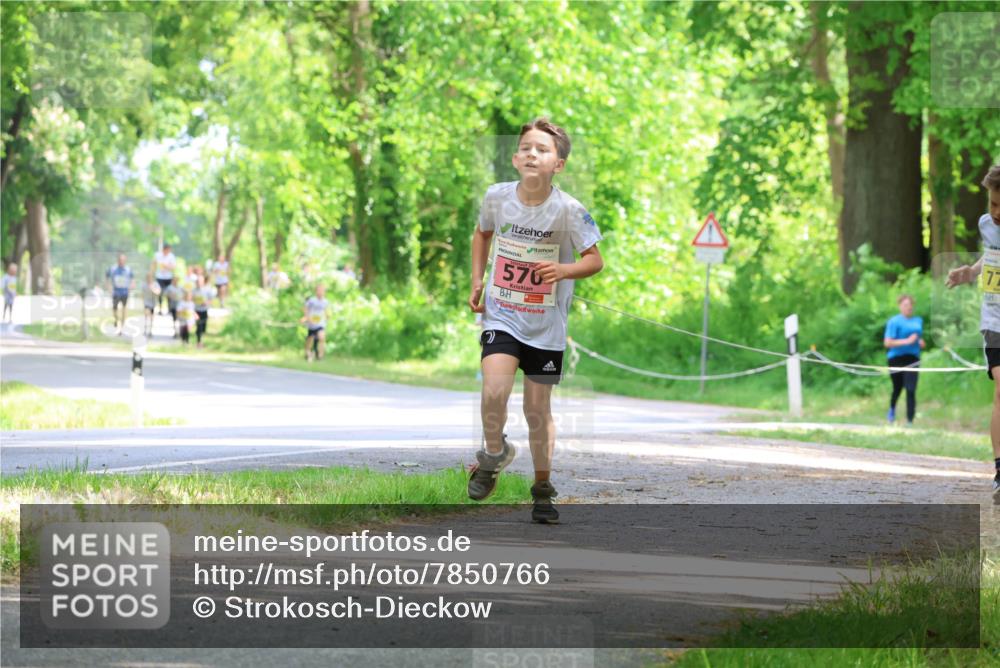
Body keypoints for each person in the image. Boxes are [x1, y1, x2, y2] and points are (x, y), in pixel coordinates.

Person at [467, 117, 604, 523]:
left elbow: (595, 260)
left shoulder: (569, 210)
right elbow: (481, 234)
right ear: (514, 157)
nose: (532, 153)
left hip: (546, 325)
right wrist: (477, 279)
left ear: (557, 164)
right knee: (494, 389)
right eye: (526, 147)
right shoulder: (496, 197)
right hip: (503, 314)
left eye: (542, 150)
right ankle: (494, 454)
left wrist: (562, 272)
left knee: (535, 409)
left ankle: (542, 486)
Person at [946, 164, 1000, 495]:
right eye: (993, 204)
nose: (996, 213)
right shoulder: (986, 225)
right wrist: (971, 272)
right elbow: (991, 257)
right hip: (995, 321)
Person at [883, 294, 924, 426]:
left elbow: (917, 337)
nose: (909, 307)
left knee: (911, 389)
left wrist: (920, 341)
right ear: (900, 306)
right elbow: (887, 343)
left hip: (913, 359)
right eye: (906, 305)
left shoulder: (918, 321)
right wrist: (906, 341)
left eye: (910, 305)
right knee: (897, 388)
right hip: (896, 359)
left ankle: (910, 420)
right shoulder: (894, 321)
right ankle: (892, 410)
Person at [106, 253, 134, 336]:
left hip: (125, 292)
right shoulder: (113, 269)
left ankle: (121, 328)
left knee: (124, 309)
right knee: (115, 309)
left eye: (123, 260)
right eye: (120, 260)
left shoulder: (128, 269)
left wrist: (131, 286)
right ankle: (116, 320)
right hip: (116, 292)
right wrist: (109, 287)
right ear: (118, 260)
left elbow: (132, 279)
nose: (122, 261)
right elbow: (107, 277)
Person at [301, 285, 328, 362]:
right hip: (311, 323)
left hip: (320, 323)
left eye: (322, 290)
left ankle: (320, 355)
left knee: (322, 337)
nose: (321, 292)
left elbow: (326, 311)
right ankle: (307, 352)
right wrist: (306, 317)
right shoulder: (312, 300)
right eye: (319, 290)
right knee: (310, 338)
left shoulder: (325, 301)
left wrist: (327, 317)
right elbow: (305, 309)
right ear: (316, 291)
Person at [152, 243, 177, 314]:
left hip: (168, 277)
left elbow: (173, 267)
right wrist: (152, 274)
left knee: (169, 293)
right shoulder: (157, 255)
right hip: (159, 277)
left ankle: (169, 309)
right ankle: (160, 308)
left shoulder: (171, 256)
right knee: (160, 293)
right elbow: (154, 264)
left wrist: (166, 266)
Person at [192, 275, 215, 348]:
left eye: (200, 281)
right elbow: (189, 300)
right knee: (199, 326)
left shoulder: (207, 290)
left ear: (203, 282)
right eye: (197, 281)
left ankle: (202, 341)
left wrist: (206, 303)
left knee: (203, 327)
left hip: (204, 310)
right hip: (196, 311)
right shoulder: (193, 291)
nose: (199, 283)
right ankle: (199, 342)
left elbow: (211, 300)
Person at [141, 271, 159, 337]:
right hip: (146, 302)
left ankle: (150, 331)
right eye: (147, 277)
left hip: (153, 302)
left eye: (150, 278)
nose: (148, 279)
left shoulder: (155, 284)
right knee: (146, 314)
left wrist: (153, 289)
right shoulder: (144, 284)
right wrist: (142, 301)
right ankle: (145, 329)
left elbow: (158, 292)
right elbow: (142, 294)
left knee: (151, 317)